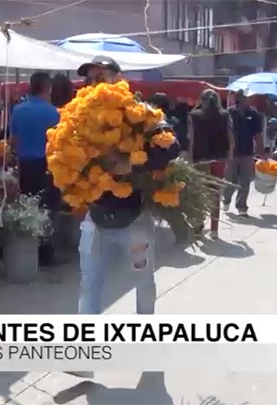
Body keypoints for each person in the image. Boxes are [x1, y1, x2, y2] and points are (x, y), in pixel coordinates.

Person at [66, 55, 179, 380]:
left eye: (100, 75)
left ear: (118, 77)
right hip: (97, 218)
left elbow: (172, 147)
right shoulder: (79, 115)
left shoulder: (139, 112)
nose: (94, 82)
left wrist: (133, 166)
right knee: (89, 286)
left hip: (134, 222)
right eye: (89, 78)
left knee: (143, 282)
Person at [9, 72, 61, 266]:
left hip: (25, 165)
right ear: (47, 88)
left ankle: (30, 249)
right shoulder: (55, 113)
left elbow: (13, 141)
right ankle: (46, 253)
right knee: (48, 208)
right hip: (48, 166)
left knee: (29, 207)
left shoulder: (18, 110)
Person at [188, 89, 234, 238]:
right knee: (215, 195)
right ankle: (214, 230)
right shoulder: (226, 115)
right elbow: (231, 139)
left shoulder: (194, 116)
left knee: (198, 193)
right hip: (219, 159)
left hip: (200, 159)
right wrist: (229, 158)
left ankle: (198, 225)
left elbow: (191, 139)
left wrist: (189, 159)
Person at [225, 90, 264, 216]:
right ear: (239, 98)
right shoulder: (229, 113)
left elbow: (258, 134)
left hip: (247, 152)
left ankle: (241, 206)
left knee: (245, 180)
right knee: (230, 179)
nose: (248, 99)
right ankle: (226, 199)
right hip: (231, 152)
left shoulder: (254, 114)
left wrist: (261, 151)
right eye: (246, 97)